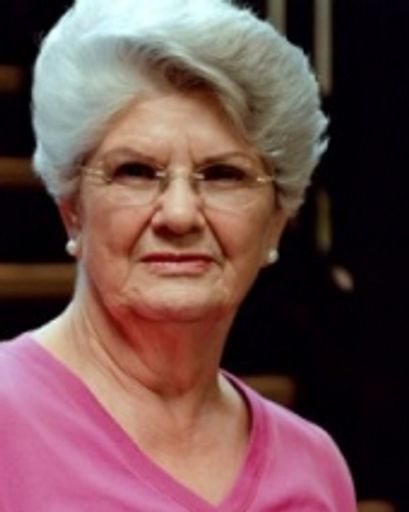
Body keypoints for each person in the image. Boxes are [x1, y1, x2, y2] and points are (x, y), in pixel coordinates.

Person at [0, 0, 356, 510]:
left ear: (276, 221)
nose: (180, 214)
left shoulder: (315, 468)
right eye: (135, 172)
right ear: (73, 210)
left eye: (224, 175)